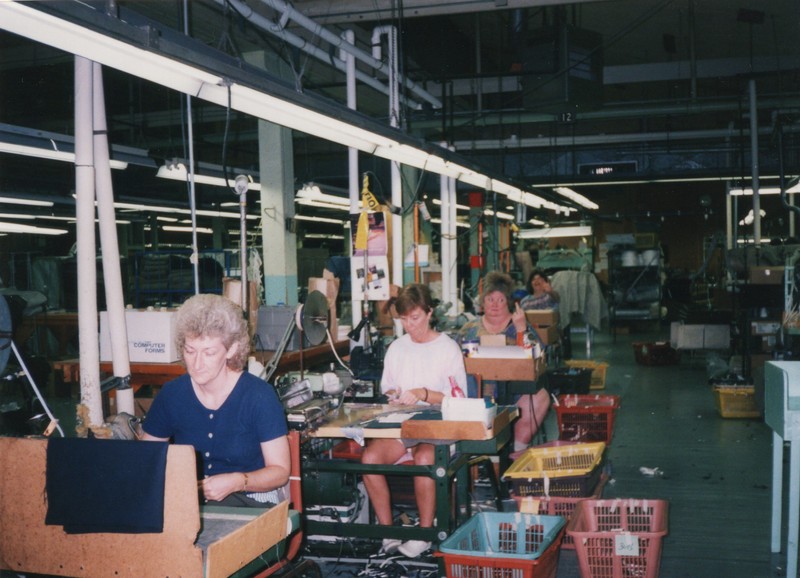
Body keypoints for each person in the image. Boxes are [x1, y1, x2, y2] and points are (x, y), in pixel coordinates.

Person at [141, 294, 290, 508]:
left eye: (209, 352)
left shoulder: (259, 396)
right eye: (190, 351)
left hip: (250, 497)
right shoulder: (172, 395)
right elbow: (148, 458)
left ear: (231, 349)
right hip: (188, 499)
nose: (197, 363)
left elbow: (280, 472)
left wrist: (239, 481)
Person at [361, 283, 467, 558]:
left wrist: (424, 394)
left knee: (424, 459)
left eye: (415, 317)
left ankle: (424, 533)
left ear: (430, 312)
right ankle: (388, 532)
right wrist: (393, 394)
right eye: (404, 319)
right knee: (369, 460)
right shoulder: (397, 348)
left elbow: (458, 399)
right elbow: (389, 389)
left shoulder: (448, 348)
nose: (409, 325)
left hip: (439, 423)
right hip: (403, 423)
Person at [458, 271, 550, 454]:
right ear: (483, 301)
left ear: (508, 302)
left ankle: (517, 448)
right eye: (490, 299)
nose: (494, 305)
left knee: (541, 397)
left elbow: (537, 356)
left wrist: (521, 329)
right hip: (476, 393)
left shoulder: (518, 323)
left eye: (500, 300)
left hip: (514, 392)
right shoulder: (469, 329)